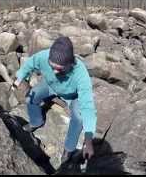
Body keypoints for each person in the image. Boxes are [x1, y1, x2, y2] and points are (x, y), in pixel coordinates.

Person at [13, 36, 97, 164]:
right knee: (31, 96)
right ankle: (36, 122)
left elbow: (88, 107)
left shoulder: (81, 73)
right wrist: (19, 78)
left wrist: (89, 139)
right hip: (50, 85)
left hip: (73, 96)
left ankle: (68, 149)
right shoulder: (44, 56)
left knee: (79, 118)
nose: (54, 71)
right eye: (51, 66)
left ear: (70, 64)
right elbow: (30, 64)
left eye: (59, 69)